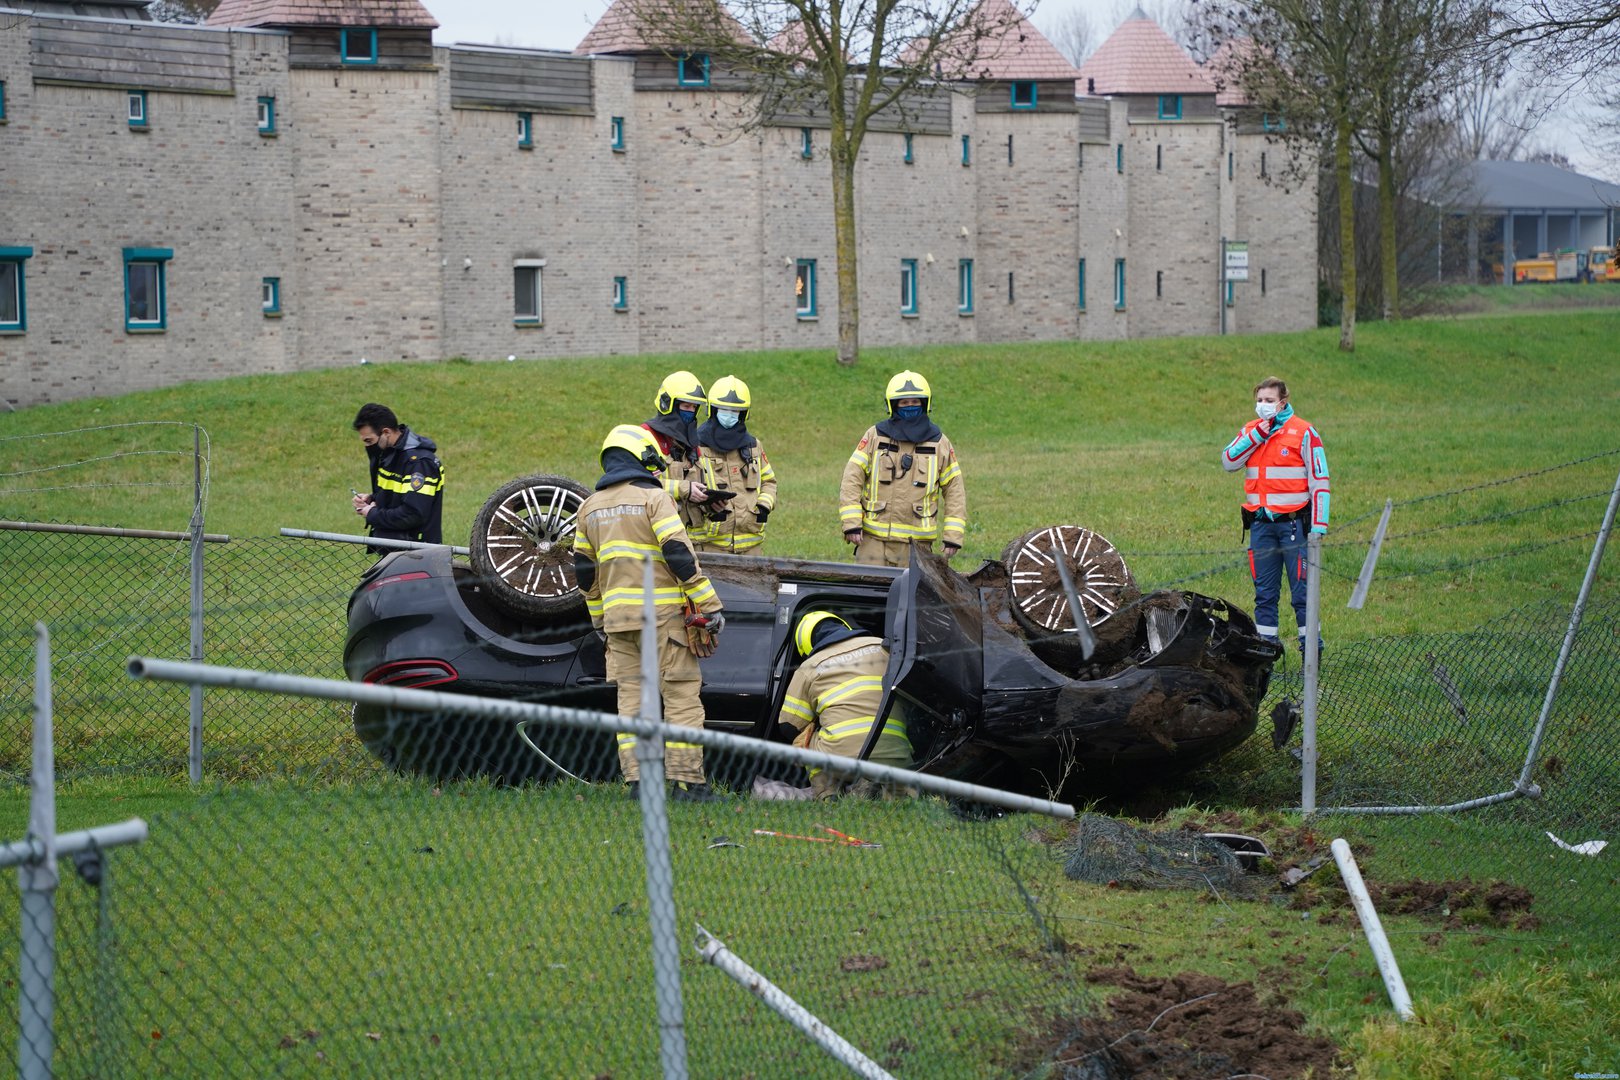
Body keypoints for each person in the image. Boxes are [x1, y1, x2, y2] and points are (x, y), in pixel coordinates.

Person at [573, 423, 725, 802]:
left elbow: (584, 574)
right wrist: (708, 604)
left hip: (618, 623)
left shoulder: (588, 509)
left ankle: (639, 784)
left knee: (632, 703)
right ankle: (688, 785)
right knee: (680, 696)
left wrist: (599, 621)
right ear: (640, 458)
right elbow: (678, 554)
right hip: (663, 620)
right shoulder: (653, 499)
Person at [1220, 376, 1330, 652]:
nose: (1263, 405)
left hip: (1295, 527)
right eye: (1259, 400)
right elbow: (1229, 461)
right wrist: (1259, 433)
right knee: (1265, 594)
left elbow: (1320, 481)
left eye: (1269, 401)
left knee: (1302, 593)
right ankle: (1266, 651)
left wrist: (1318, 526)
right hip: (1261, 527)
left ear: (1283, 402)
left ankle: (1311, 650)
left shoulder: (1304, 432)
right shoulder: (1251, 430)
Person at [774, 611, 913, 799]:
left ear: (806, 645)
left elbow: (789, 725)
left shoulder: (810, 666)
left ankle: (827, 795)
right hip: (896, 753)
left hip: (841, 759)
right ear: (843, 626)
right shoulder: (882, 646)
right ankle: (899, 797)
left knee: (805, 740)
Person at [838, 370, 967, 566]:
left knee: (911, 596)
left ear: (925, 403)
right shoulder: (875, 436)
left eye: (915, 402)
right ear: (893, 404)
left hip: (917, 547)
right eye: (904, 402)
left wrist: (953, 536)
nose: (910, 406)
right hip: (873, 541)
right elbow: (852, 479)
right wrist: (851, 524)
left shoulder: (939, 443)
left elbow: (955, 491)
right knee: (867, 593)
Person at [691, 374, 777, 554]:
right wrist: (708, 505)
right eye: (724, 410)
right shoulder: (695, 446)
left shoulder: (753, 445)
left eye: (735, 411)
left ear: (744, 414)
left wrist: (763, 507)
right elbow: (686, 490)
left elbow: (769, 482)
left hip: (751, 547)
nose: (729, 415)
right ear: (712, 410)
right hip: (710, 547)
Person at [352, 402, 444, 547]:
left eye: (369, 441)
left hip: (417, 552)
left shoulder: (419, 464)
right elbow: (396, 495)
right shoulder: (389, 456)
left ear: (386, 432)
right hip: (394, 547)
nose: (367, 446)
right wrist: (371, 499)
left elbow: (413, 514)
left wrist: (372, 513)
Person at [642, 370, 716, 534]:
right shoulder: (646, 438)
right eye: (686, 406)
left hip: (689, 540)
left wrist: (712, 503)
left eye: (694, 408)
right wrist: (683, 488)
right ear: (668, 404)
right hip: (655, 537)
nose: (690, 412)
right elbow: (640, 486)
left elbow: (706, 484)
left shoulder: (693, 445)